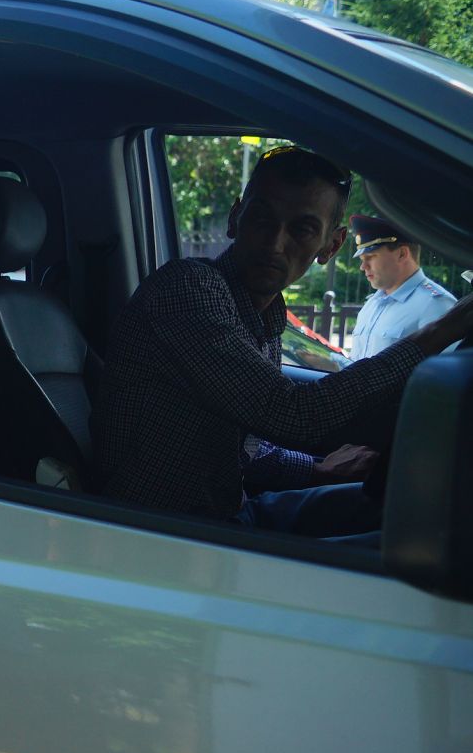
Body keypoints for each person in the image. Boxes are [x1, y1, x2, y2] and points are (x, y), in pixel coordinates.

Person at [94, 145, 473, 536]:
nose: (274, 243)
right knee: (407, 552)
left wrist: (316, 469)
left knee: (420, 513)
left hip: (226, 513)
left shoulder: (261, 316)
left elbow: (242, 449)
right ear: (235, 217)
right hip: (161, 532)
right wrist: (442, 331)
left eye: (302, 229)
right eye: (261, 217)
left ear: (331, 246)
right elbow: (291, 414)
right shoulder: (188, 288)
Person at [347, 213, 459, 358]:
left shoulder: (436, 305)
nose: (363, 266)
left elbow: (443, 375)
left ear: (402, 254)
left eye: (370, 257)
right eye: (362, 259)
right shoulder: (372, 304)